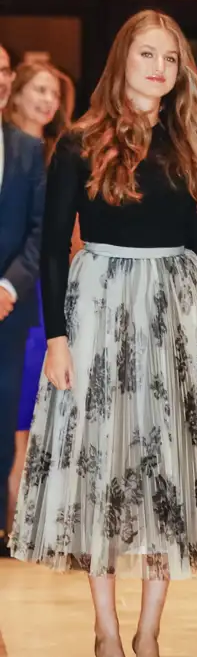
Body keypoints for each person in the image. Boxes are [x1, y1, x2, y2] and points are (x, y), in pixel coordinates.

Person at [9, 10, 197, 657]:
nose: (159, 69)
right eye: (148, 55)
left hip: (175, 308)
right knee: (105, 468)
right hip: (99, 309)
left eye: (170, 59)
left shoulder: (190, 138)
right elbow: (54, 248)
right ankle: (107, 632)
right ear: (123, 60)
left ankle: (149, 634)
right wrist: (56, 335)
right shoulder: (79, 143)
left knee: (163, 467)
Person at [4, 61, 76, 533]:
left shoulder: (45, 152)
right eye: (40, 89)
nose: (48, 100)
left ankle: (20, 515)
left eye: (55, 92)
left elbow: (46, 231)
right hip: (26, 290)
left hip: (29, 294)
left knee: (22, 407)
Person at [0, 45, 46, 557]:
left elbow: (39, 230)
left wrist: (8, 286)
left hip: (9, 308)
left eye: (3, 71)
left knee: (3, 420)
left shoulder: (27, 149)